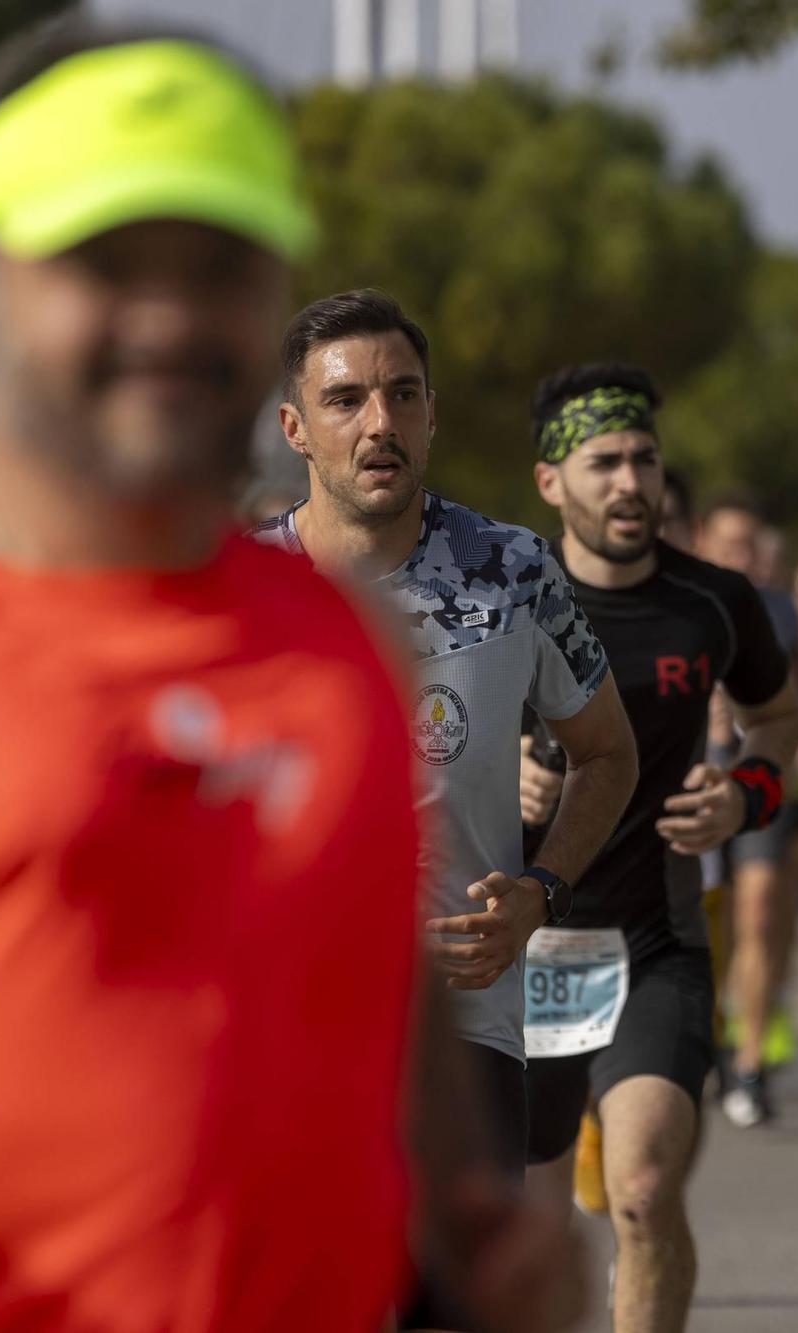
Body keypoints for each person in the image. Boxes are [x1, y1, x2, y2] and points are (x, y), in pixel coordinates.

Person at [0, 22, 562, 1331]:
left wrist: (476, 1216)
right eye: (107, 261)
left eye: (221, 265)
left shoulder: (331, 639)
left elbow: (370, 983)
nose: (172, 317)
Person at [257, 293, 637, 1218]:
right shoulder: (236, 586)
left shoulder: (509, 568)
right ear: (296, 428)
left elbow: (608, 754)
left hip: (461, 1029)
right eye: (347, 401)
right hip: (283, 1038)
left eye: (403, 395)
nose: (380, 423)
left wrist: (540, 894)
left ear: (432, 414)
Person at [516, 363, 798, 1332]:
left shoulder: (713, 600)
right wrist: (498, 773)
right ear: (551, 481)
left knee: (640, 1189)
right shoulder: (497, 597)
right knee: (522, 1220)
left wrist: (743, 796)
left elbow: (776, 719)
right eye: (602, 463)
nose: (630, 482)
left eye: (643, 459)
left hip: (650, 944)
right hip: (509, 953)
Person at [697, 496, 798, 1126]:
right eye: (728, 544)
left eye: (749, 544)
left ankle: (750, 1063)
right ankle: (708, 1040)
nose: (741, 556)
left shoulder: (778, 607)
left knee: (761, 912)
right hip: (699, 771)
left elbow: (785, 687)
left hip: (761, 775)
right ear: (704, 541)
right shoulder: (680, 598)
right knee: (710, 919)